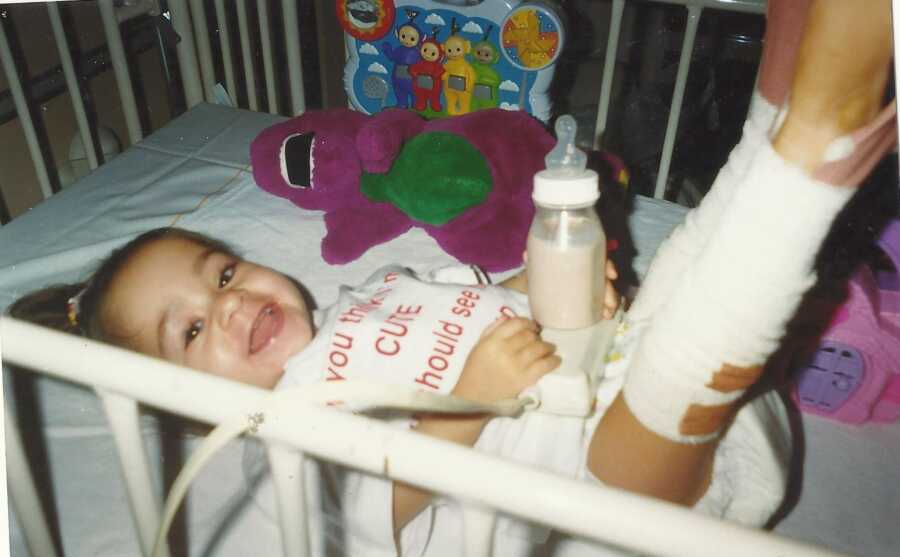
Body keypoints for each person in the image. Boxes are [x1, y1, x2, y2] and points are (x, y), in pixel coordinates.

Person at [8, 0, 895, 554]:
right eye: (193, 330)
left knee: (688, 263)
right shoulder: (278, 443)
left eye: (223, 269)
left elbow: (490, 296)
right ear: (184, 402)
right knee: (705, 324)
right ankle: (810, 149)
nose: (231, 302)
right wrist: (462, 401)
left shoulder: (372, 295)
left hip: (613, 362)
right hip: (622, 483)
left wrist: (554, 286)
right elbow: (378, 509)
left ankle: (775, 108)